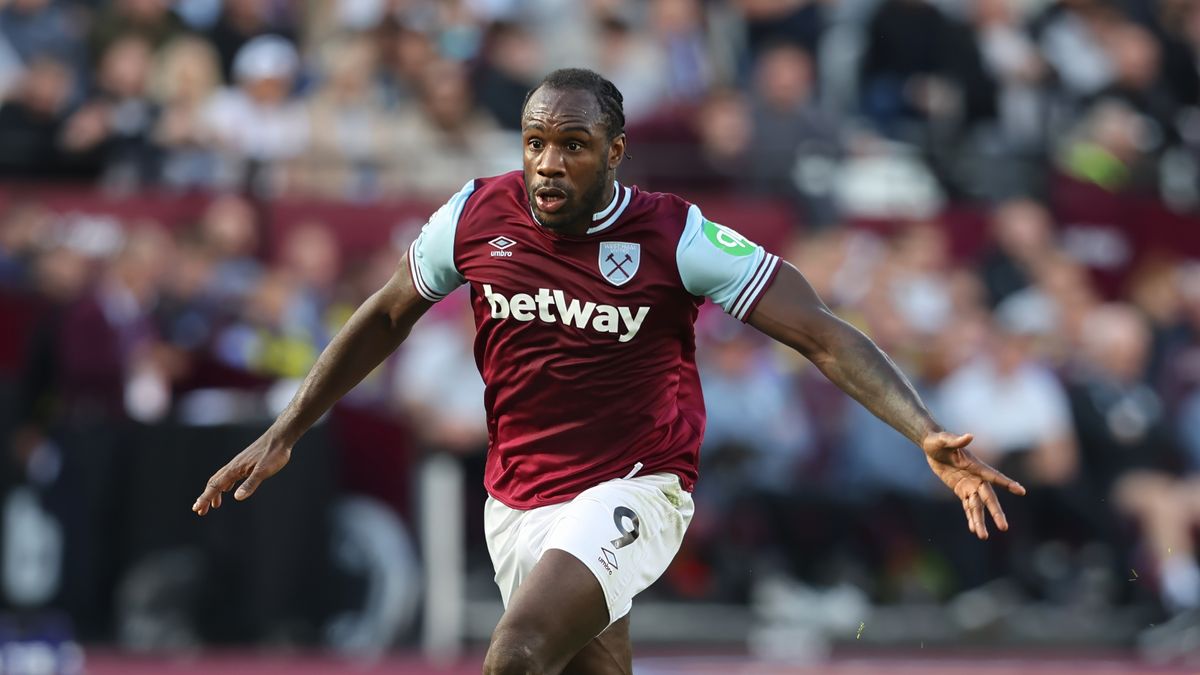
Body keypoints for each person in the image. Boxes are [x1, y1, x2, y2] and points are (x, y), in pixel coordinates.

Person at [192, 68, 1025, 674]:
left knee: (515, 653)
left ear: (615, 152)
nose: (548, 164)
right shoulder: (476, 215)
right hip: (516, 499)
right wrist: (287, 428)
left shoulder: (677, 235)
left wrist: (923, 430)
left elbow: (822, 334)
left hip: (636, 487)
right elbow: (383, 315)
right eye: (535, 143)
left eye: (573, 146)